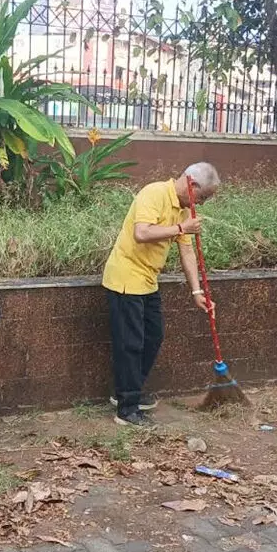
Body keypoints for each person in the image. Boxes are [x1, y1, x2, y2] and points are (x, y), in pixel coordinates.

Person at [103, 163, 220, 427]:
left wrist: (196, 291)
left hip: (148, 280)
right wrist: (181, 228)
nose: (200, 205)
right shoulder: (154, 193)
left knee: (153, 337)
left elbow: (187, 251)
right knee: (130, 344)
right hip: (125, 277)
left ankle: (126, 390)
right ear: (192, 185)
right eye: (202, 198)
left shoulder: (184, 210)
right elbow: (142, 233)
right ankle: (127, 409)